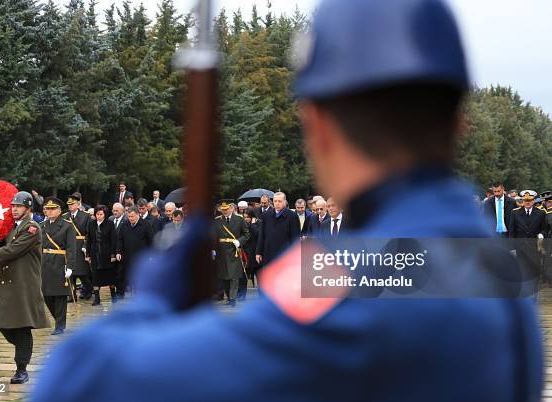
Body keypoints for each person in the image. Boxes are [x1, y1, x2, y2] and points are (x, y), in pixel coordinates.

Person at [33, 1, 543, 401]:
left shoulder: (355, 271)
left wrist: (146, 308)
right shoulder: (495, 263)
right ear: (460, 124)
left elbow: (80, 383)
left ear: (316, 125)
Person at [0, 191, 49, 384]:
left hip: (24, 285)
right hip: (9, 284)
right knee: (4, 324)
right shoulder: (11, 227)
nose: (14, 209)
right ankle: (25, 351)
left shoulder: (32, 228)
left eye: (18, 206)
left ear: (28, 208)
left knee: (22, 327)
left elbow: (14, 249)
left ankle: (21, 368)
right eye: (13, 206)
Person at [40, 197, 77, 335]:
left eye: (52, 209)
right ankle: (58, 319)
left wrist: (70, 266)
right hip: (45, 262)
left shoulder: (67, 225)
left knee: (60, 295)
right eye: (47, 209)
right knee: (47, 295)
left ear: (59, 210)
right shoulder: (42, 225)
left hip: (60, 262)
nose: (49, 211)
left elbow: (71, 248)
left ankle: (60, 325)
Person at [213, 200, 250, 306]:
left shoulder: (239, 220)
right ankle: (229, 297)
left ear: (232, 209)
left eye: (227, 209)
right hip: (221, 251)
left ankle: (233, 298)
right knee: (224, 276)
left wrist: (239, 241)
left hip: (234, 251)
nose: (224, 211)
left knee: (234, 276)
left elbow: (246, 234)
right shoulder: (217, 221)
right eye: (223, 209)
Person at [116, 207, 154, 299]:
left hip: (140, 256)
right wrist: (118, 252)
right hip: (126, 254)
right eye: (129, 216)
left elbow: (151, 240)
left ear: (138, 215)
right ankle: (121, 292)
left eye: (132, 216)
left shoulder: (146, 225)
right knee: (123, 274)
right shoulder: (124, 225)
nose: (131, 218)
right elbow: (120, 239)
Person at [255, 192, 300, 267]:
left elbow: (295, 238)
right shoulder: (266, 215)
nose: (277, 203)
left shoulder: (292, 216)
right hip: (268, 252)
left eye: (280, 201)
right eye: (275, 201)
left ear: (284, 202)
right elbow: (262, 235)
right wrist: (258, 252)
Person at [86, 205, 118, 305]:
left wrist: (113, 254)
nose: (99, 216)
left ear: (104, 215)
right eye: (97, 214)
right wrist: (88, 254)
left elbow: (113, 240)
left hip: (107, 254)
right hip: (95, 254)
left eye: (101, 214)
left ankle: (113, 295)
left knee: (110, 276)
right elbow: (89, 240)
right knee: (95, 276)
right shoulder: (91, 224)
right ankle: (97, 298)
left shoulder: (109, 224)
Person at [63, 194, 93, 300]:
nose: (70, 206)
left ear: (78, 204)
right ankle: (72, 295)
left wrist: (85, 245)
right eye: (69, 204)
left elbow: (89, 233)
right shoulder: (65, 216)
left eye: (72, 204)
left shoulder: (85, 216)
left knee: (83, 273)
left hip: (81, 247)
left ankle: (89, 290)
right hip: (69, 247)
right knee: (70, 272)